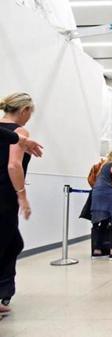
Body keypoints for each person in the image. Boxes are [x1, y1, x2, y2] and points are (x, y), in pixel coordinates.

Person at [0, 93, 37, 313]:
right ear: (24, 110)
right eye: (30, 113)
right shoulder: (19, 131)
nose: (29, 118)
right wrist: (22, 196)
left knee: (12, 243)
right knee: (7, 242)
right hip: (5, 194)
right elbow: (14, 165)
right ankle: (4, 291)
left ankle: (4, 292)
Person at [90, 150, 112, 259]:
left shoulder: (103, 166)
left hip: (96, 194)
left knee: (101, 222)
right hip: (108, 194)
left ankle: (97, 249)